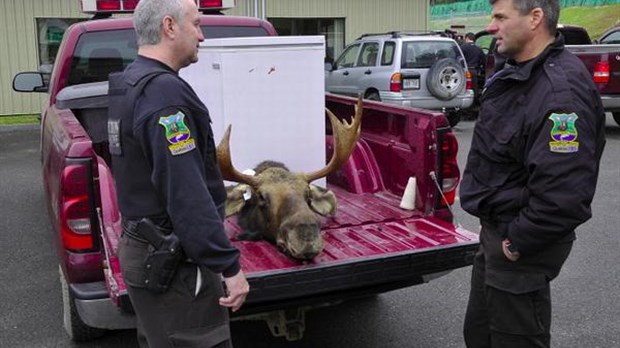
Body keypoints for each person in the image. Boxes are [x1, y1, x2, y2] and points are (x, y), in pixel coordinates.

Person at [459, 0, 606, 347]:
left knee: (515, 340)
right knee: (480, 335)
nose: (490, 26)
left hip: (520, 248)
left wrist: (518, 241)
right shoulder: (518, 73)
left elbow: (564, 194)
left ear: (535, 18)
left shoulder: (559, 94)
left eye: (500, 17)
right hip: (497, 236)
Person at [107, 0, 249, 347]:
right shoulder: (164, 96)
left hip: (146, 249)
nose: (202, 35)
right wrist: (228, 266)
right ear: (169, 27)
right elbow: (185, 192)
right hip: (174, 266)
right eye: (197, 24)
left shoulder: (130, 82)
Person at [460, 32, 486, 104]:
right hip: (473, 70)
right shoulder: (478, 49)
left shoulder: (462, 47)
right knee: (474, 88)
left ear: (467, 38)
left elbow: (458, 58)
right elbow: (483, 61)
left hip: (463, 71)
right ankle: (474, 102)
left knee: (463, 88)